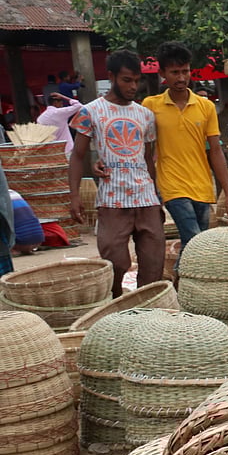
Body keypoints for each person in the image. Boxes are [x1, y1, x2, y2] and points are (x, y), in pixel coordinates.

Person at [68, 49, 164, 298]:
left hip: (146, 199)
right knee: (115, 262)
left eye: (137, 80)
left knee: (154, 263)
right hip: (112, 200)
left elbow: (147, 158)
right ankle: (116, 303)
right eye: (126, 80)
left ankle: (148, 310)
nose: (133, 86)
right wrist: (75, 196)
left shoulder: (145, 115)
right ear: (111, 77)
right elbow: (78, 156)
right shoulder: (91, 112)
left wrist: (156, 194)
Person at [142, 41, 228, 249]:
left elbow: (216, 151)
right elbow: (145, 152)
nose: (182, 78)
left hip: (202, 185)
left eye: (185, 71)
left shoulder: (206, 106)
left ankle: (180, 278)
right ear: (162, 73)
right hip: (172, 186)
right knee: (195, 241)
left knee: (197, 244)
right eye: (175, 72)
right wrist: (149, 189)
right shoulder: (150, 105)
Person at [7, 190, 45, 254]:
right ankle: (24, 249)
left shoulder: (4, 196)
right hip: (38, 239)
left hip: (20, 242)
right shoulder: (13, 192)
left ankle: (13, 250)